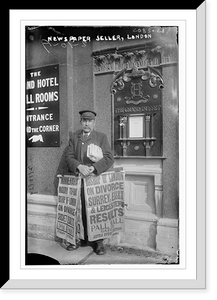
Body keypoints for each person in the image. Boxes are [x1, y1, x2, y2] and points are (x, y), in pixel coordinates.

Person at [64, 109, 114, 255]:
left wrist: (93, 168)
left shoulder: (101, 137)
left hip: (95, 181)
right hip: (79, 180)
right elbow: (68, 156)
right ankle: (78, 238)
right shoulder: (74, 137)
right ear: (81, 122)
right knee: (79, 209)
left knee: (96, 210)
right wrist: (79, 166)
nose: (87, 123)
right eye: (84, 120)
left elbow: (109, 158)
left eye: (90, 121)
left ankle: (98, 242)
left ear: (94, 122)